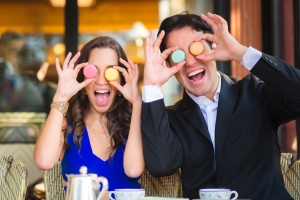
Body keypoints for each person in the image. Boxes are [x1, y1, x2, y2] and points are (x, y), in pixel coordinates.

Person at [141, 12, 300, 200]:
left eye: (197, 48)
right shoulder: (171, 118)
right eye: (178, 55)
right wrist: (151, 86)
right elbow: (162, 166)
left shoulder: (254, 93)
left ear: (213, 47)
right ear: (169, 66)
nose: (191, 62)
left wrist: (240, 52)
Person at [34, 36, 144, 199]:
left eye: (110, 71)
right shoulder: (67, 123)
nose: (101, 81)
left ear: (122, 79)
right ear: (83, 79)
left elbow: (133, 170)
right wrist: (61, 97)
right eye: (93, 71)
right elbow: (43, 161)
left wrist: (136, 103)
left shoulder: (134, 123)